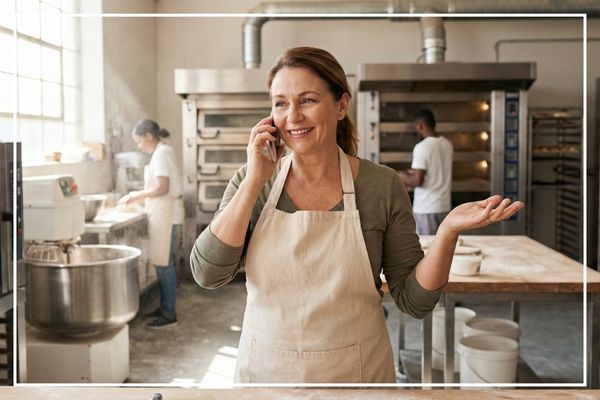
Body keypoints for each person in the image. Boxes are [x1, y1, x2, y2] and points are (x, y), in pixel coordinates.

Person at [190, 47, 523, 384]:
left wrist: (448, 231)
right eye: (280, 103)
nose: (292, 116)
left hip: (358, 376)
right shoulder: (252, 182)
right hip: (266, 375)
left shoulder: (380, 185)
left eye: (307, 100)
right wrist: (254, 180)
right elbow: (207, 273)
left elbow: (413, 301)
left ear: (341, 105)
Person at [119, 119, 183, 329]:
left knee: (165, 266)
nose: (139, 146)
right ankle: (165, 306)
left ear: (148, 136)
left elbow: (162, 187)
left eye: (139, 141)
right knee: (163, 264)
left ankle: (168, 313)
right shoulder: (162, 152)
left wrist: (136, 196)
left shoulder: (162, 153)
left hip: (167, 215)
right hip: (164, 214)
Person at [399, 109, 453, 235]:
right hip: (444, 206)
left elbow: (418, 180)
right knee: (443, 248)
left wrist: (400, 177)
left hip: (426, 207)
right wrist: (412, 173)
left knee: (427, 248)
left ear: (420, 125)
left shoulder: (422, 147)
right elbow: (435, 170)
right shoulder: (447, 144)